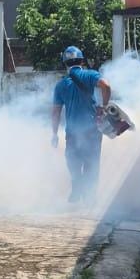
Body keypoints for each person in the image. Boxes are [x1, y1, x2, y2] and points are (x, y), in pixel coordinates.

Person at [50, 46, 111, 204]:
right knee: (92, 164)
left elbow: (55, 112)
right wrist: (104, 106)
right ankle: (90, 199)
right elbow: (106, 86)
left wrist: (54, 134)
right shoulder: (90, 75)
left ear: (65, 63)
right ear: (82, 61)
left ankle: (77, 186)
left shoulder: (61, 85)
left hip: (72, 132)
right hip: (92, 131)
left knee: (73, 162)